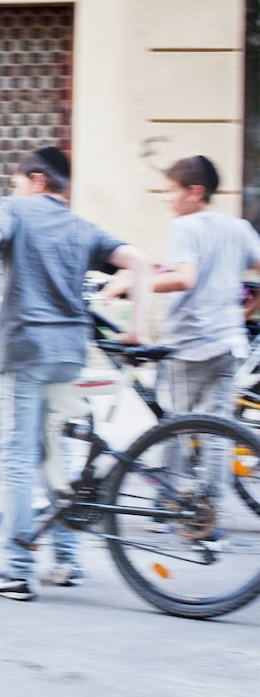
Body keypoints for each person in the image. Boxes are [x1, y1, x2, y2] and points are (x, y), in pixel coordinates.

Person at [0, 146, 152, 601]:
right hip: (70, 352)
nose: (12, 191)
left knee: (17, 456)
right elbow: (139, 262)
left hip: (25, 350)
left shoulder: (16, 208)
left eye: (15, 182)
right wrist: (138, 327)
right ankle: (67, 561)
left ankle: (17, 572)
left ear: (36, 180)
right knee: (58, 451)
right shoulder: (81, 226)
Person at [104, 155, 260, 510]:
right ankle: (208, 510)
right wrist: (244, 311)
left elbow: (184, 278)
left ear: (195, 192)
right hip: (228, 342)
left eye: (172, 190)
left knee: (174, 425)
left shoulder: (185, 227)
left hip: (190, 343)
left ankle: (172, 502)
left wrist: (136, 284)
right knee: (217, 429)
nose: (167, 198)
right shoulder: (238, 228)